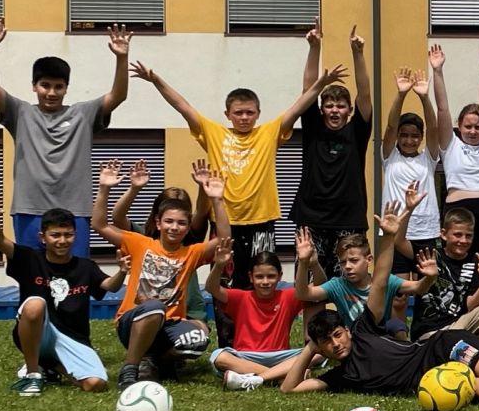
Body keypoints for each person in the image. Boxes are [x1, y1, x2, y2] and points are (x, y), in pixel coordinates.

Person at [280, 198, 479, 402]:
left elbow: (379, 281)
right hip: (431, 379)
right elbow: (289, 390)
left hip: (438, 348)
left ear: (347, 331)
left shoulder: (363, 330)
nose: (336, 344)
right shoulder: (340, 376)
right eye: (328, 343)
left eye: (338, 335)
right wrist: (311, 347)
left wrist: (389, 238)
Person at [132, 58, 344, 289]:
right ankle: (226, 315)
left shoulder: (269, 132)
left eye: (249, 112)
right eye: (238, 113)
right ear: (228, 114)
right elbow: (182, 106)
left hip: (261, 221)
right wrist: (156, 80)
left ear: (258, 113)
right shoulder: (214, 132)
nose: (244, 117)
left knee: (262, 281)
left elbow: (298, 106)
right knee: (224, 282)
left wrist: (321, 83)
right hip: (224, 222)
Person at [0, 13, 132, 258]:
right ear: (34, 86)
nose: (51, 92)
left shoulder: (83, 113)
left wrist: (122, 57)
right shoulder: (20, 113)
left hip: (75, 212)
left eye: (58, 86)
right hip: (30, 209)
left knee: (75, 274)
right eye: (45, 85)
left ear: (66, 88)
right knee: (32, 272)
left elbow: (118, 95)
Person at [94, 160, 230, 390]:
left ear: (188, 227)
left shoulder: (191, 253)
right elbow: (100, 224)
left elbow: (224, 238)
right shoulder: (139, 243)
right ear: (158, 223)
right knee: (154, 307)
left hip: (169, 325)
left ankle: (159, 362)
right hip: (133, 321)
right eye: (169, 221)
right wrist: (104, 188)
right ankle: (130, 368)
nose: (174, 227)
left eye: (181, 223)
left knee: (198, 339)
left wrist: (217, 200)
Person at [0, 194, 126, 396]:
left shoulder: (85, 266)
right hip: (38, 331)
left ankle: (51, 366)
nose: (62, 241)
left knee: (95, 384)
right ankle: (33, 374)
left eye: (68, 235)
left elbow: (110, 286)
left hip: (73, 337)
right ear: (43, 237)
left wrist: (122, 271)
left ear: (75, 235)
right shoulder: (29, 258)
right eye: (55, 235)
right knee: (35, 305)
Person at [291, 21, 374, 280]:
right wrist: (314, 47)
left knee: (349, 286)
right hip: (311, 219)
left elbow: (364, 94)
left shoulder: (357, 132)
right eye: (329, 105)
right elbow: (308, 89)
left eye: (340, 106)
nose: (335, 110)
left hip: (348, 220)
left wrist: (358, 54)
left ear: (349, 110)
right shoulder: (313, 128)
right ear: (322, 109)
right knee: (309, 286)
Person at [111, 158, 212, 337]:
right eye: (169, 217)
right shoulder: (143, 237)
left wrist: (203, 188)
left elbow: (202, 212)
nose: (174, 226)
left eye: (181, 218)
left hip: (187, 308)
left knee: (194, 339)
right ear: (158, 217)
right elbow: (117, 218)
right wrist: (134, 189)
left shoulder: (188, 238)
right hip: (149, 309)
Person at [432, 42, 479, 284]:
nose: (473, 131)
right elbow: (442, 109)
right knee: (455, 275)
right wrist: (437, 71)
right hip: (457, 210)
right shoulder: (450, 145)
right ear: (459, 126)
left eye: (478, 127)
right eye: (468, 126)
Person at [399, 206, 479, 346]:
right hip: (429, 333)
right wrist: (409, 208)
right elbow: (399, 241)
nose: (463, 240)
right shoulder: (430, 255)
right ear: (444, 234)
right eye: (457, 234)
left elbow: (470, 305)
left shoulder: (475, 262)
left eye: (468, 236)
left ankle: (477, 352)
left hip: (458, 327)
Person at [205, 244, 309, 390]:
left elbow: (319, 286)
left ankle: (253, 377)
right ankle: (280, 376)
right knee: (219, 356)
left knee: (316, 353)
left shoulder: (288, 296)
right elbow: (211, 288)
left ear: (280, 276)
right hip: (246, 356)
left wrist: (306, 262)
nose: (265, 282)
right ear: (251, 277)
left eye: (271, 276)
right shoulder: (241, 298)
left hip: (280, 356)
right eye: (259, 277)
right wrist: (218, 266)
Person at [382, 57, 442, 277]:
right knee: (398, 291)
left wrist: (424, 98)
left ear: (421, 138)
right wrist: (401, 94)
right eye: (404, 135)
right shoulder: (390, 156)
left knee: (425, 289)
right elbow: (390, 126)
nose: (409, 140)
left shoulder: (428, 158)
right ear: (398, 137)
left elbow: (434, 128)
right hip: (394, 228)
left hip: (425, 232)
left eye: (415, 136)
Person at [295, 230, 399, 329]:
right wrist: (303, 262)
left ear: (369, 260)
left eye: (354, 260)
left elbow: (411, 287)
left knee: (398, 326)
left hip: (381, 338)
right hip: (352, 339)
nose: (347, 266)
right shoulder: (338, 285)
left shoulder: (388, 281)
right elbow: (303, 294)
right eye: (343, 262)